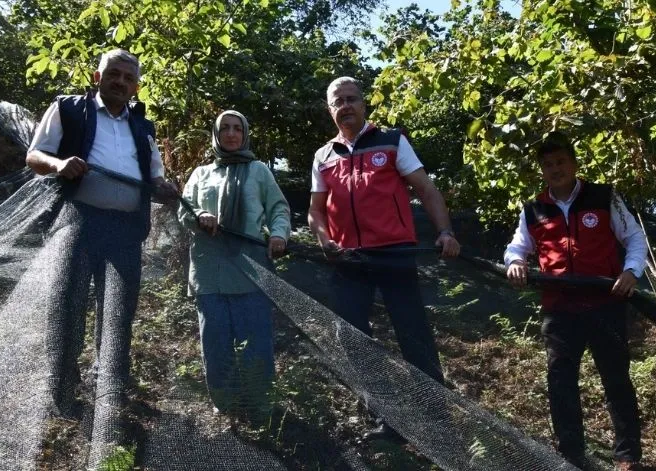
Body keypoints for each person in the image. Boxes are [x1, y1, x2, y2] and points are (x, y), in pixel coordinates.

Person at [26, 49, 178, 455]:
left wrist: (165, 190)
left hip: (127, 230)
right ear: (98, 76)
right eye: (114, 74)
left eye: (129, 78)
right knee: (68, 303)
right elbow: (34, 155)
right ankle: (63, 390)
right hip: (78, 220)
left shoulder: (143, 126)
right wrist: (59, 165)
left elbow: (156, 178)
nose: (121, 82)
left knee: (118, 311)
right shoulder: (69, 109)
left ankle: (109, 385)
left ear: (137, 86)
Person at [307, 76, 460, 441]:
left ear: (364, 104)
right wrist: (324, 240)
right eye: (337, 101)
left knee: (413, 335)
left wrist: (446, 232)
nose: (345, 106)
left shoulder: (392, 141)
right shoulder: (323, 156)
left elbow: (425, 189)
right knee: (354, 341)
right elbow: (315, 211)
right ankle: (386, 421)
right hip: (348, 260)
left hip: (395, 253)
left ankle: (438, 422)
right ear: (330, 110)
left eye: (351, 99)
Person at [503, 131, 646, 471]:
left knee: (616, 381)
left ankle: (627, 457)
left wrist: (631, 271)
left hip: (605, 305)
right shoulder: (534, 209)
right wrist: (516, 262)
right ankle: (571, 454)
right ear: (542, 170)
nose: (556, 169)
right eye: (548, 164)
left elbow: (635, 239)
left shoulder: (603, 197)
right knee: (560, 382)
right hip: (559, 310)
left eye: (561, 161)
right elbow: (516, 247)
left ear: (574, 163)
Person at [178, 110, 290, 421]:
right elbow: (183, 209)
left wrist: (279, 234)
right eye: (224, 128)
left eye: (236, 128)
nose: (230, 134)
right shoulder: (201, 174)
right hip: (208, 270)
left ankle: (260, 404)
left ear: (244, 133)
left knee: (256, 340)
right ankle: (225, 403)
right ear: (215, 134)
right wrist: (199, 215)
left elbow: (278, 209)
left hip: (251, 269)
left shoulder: (258, 171)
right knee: (215, 341)